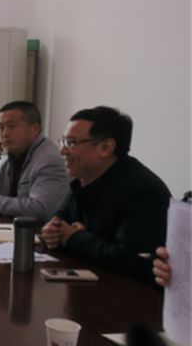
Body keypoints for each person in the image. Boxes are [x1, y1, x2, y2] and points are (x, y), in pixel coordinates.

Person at [41, 106, 171, 286]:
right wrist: (52, 231)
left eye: (71, 143)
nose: (62, 151)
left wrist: (74, 238)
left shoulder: (144, 191)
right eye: (63, 141)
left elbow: (130, 258)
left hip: (128, 296)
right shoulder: (85, 179)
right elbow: (61, 219)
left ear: (106, 147)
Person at [0, 101, 70, 221]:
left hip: (39, 230)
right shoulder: (12, 156)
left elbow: (41, 209)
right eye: (1, 128)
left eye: (11, 126)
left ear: (35, 129)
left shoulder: (49, 161)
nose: (5, 134)